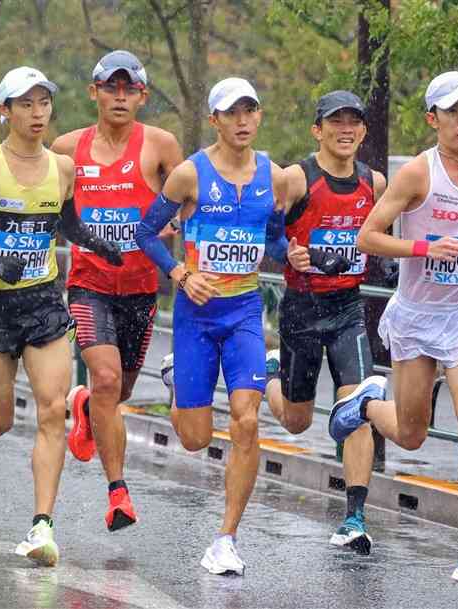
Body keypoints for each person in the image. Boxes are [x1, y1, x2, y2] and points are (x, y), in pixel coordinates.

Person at [330, 71, 458, 594]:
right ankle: (367, 404)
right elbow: (368, 236)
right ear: (432, 119)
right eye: (452, 111)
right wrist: (420, 249)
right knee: (410, 434)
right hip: (414, 316)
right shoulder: (416, 175)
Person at [0, 66, 123, 566]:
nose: (37, 113)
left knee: (50, 409)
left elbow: (65, 223)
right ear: (6, 111)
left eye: (43, 103)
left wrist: (95, 243)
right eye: (25, 104)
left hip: (42, 300)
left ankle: (42, 526)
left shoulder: (62, 168)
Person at [136, 77, 290, 575]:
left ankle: (226, 538)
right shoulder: (189, 175)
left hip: (245, 311)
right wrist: (181, 273)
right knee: (196, 439)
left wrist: (293, 254)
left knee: (247, 420)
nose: (243, 121)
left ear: (259, 116)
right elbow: (145, 233)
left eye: (250, 111)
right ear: (216, 120)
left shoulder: (275, 176)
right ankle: (176, 376)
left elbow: (276, 238)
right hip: (196, 317)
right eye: (232, 113)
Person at [51, 50, 183, 531]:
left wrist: (176, 226)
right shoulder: (67, 148)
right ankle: (118, 493)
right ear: (95, 92)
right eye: (112, 87)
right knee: (106, 380)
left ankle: (85, 406)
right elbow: (46, 201)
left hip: (141, 288)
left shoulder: (161, 145)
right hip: (89, 285)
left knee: (118, 390)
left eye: (130, 89)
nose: (121, 97)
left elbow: (189, 196)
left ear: (143, 96)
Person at [264, 91, 386, 554]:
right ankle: (272, 373)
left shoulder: (373, 182)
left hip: (347, 310)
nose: (346, 130)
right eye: (336, 122)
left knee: (356, 408)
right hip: (300, 309)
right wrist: (284, 252)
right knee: (295, 421)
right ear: (318, 130)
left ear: (363, 131)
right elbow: (266, 230)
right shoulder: (297, 179)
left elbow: (381, 238)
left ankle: (355, 516)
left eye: (354, 122)